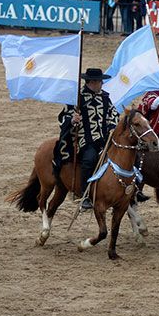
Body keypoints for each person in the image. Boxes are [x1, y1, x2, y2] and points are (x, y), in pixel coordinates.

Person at [53, 68, 119, 210]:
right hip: (85, 140)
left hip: (105, 138)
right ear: (92, 82)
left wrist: (112, 125)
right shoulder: (77, 98)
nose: (102, 84)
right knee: (90, 159)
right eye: (100, 81)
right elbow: (63, 117)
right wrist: (73, 120)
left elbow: (113, 114)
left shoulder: (105, 97)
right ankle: (84, 194)